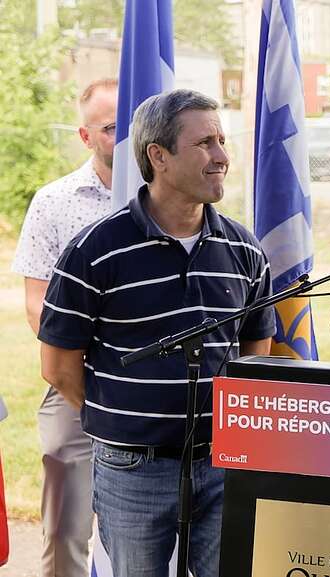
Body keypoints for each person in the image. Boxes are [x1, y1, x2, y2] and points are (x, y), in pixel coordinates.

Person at [38, 89, 274, 577]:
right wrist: (126, 423)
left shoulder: (245, 250)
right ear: (158, 156)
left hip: (223, 466)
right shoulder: (95, 252)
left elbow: (256, 352)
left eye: (222, 141)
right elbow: (58, 368)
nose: (222, 157)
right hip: (133, 472)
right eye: (205, 143)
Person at [11, 78, 117, 577]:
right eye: (112, 127)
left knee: (153, 528)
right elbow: (37, 304)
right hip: (74, 382)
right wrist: (76, 373)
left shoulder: (177, 201)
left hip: (150, 392)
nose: (126, 136)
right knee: (65, 527)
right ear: (85, 135)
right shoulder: (54, 202)